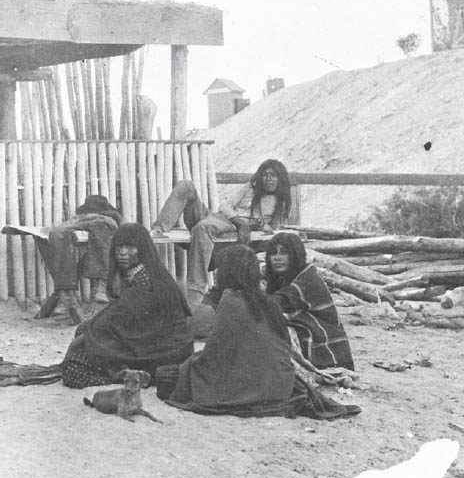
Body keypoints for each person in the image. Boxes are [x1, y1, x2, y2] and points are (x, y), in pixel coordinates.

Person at [155, 244, 359, 419]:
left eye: (220, 268)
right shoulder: (263, 299)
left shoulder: (231, 300)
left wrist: (189, 366)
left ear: (230, 271)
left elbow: (213, 358)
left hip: (254, 386)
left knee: (167, 377)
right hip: (280, 384)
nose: (216, 273)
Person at [60, 223, 195, 389]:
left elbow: (114, 319)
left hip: (164, 351)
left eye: (130, 247)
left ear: (142, 249)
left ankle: (122, 377)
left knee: (75, 367)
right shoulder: (139, 274)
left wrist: (82, 339)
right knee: (87, 334)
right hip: (150, 341)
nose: (123, 252)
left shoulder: (145, 280)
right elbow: (118, 317)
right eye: (119, 247)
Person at [149, 158, 298, 304]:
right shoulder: (250, 188)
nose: (268, 179)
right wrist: (239, 221)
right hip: (224, 220)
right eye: (265, 175)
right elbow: (224, 206)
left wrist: (257, 224)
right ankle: (159, 228)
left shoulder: (281, 201)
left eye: (273, 175)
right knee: (186, 186)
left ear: (280, 178)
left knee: (202, 228)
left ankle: (195, 294)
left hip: (229, 230)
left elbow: (270, 230)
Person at [264, 231, 355, 371]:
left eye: (283, 253)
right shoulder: (281, 278)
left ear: (295, 255)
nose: (277, 258)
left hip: (328, 345)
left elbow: (276, 302)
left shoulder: (307, 278)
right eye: (273, 253)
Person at [34, 194, 122, 314]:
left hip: (101, 221)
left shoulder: (107, 220)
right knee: (58, 234)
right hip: (88, 220)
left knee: (103, 228)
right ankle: (66, 294)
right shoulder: (84, 217)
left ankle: (98, 285)